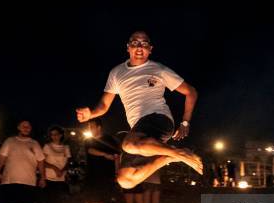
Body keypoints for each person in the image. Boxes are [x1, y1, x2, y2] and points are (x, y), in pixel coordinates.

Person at [76, 30, 202, 190]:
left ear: (150, 49)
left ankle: (179, 154)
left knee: (128, 145)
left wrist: (185, 122)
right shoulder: (116, 73)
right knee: (125, 179)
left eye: (144, 44)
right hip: (139, 129)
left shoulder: (159, 69)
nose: (139, 47)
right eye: (135, 43)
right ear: (128, 47)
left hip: (159, 119)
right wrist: (91, 114)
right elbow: (104, 105)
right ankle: (166, 157)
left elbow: (191, 92)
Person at [0, 120, 46, 203]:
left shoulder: (34, 143)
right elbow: (1, 158)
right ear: (18, 127)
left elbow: (41, 161)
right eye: (24, 126)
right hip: (9, 179)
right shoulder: (10, 141)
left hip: (28, 181)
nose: (26, 128)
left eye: (28, 126)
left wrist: (43, 177)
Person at [82, 119, 119, 203]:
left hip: (106, 176)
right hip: (92, 176)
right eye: (88, 127)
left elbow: (116, 156)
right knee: (91, 202)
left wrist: (117, 173)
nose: (89, 129)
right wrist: (104, 154)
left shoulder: (109, 140)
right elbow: (90, 151)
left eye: (91, 126)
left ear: (99, 127)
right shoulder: (89, 140)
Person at [41, 125, 71, 203]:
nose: (54, 136)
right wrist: (54, 168)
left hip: (61, 180)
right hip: (49, 179)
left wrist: (62, 170)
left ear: (61, 135)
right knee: (48, 202)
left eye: (56, 134)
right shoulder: (47, 147)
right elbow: (42, 162)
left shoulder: (65, 148)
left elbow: (68, 162)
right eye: (52, 134)